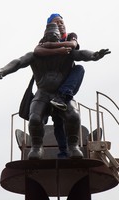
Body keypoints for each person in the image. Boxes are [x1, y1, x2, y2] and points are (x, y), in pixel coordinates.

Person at [0, 23, 110, 160]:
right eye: (49, 37)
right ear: (43, 39)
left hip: (60, 94)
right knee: (35, 118)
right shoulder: (35, 55)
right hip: (42, 93)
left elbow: (81, 54)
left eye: (55, 37)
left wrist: (94, 55)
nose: (52, 39)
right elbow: (19, 62)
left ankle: (73, 146)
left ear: (59, 39)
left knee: (73, 116)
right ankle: (37, 148)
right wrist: (2, 71)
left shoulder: (66, 52)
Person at [34, 14, 85, 158]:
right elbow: (37, 51)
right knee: (58, 121)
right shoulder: (44, 40)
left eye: (62, 22)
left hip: (65, 85)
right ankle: (64, 151)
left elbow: (73, 46)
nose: (61, 24)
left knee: (79, 69)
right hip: (48, 89)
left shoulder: (70, 36)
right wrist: (57, 49)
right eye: (56, 22)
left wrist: (50, 46)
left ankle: (62, 96)